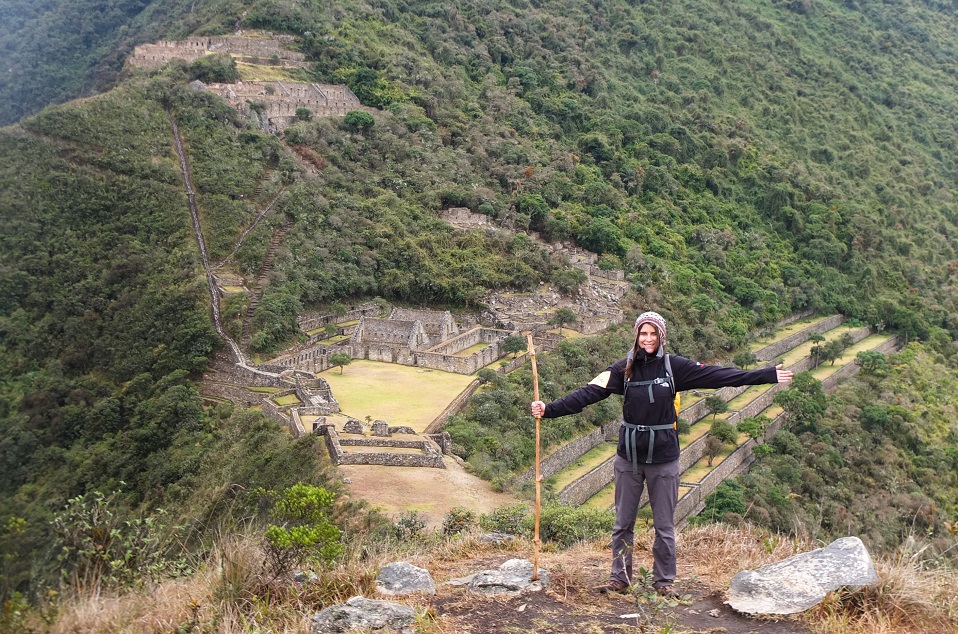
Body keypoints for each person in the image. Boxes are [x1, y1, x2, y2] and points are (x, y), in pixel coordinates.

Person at [531, 311, 792, 596]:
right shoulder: (623, 369)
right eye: (643, 333)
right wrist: (549, 409)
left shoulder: (674, 367)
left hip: (664, 458)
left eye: (653, 333)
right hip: (629, 458)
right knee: (622, 523)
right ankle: (620, 578)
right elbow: (588, 393)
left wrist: (766, 375)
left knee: (664, 526)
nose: (648, 339)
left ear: (662, 336)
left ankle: (664, 582)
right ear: (636, 336)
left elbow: (719, 376)